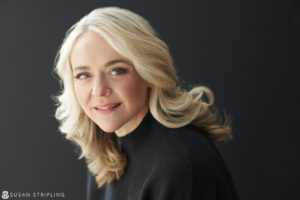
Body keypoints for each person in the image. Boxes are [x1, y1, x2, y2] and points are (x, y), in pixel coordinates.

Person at [53, 6, 238, 200]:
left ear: (148, 73)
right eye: (83, 75)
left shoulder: (176, 164)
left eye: (116, 71)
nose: (99, 90)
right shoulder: (108, 153)